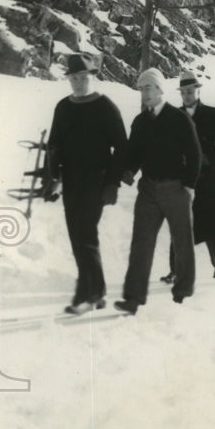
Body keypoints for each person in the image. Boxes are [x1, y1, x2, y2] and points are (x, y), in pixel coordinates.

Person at [46, 53, 128, 315]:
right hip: (71, 181)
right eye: (74, 78)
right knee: (77, 235)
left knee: (86, 235)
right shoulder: (63, 107)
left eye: (83, 77)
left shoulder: (105, 106)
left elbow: (122, 148)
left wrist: (112, 183)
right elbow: (54, 146)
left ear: (92, 77)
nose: (79, 83)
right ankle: (95, 290)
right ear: (68, 79)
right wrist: (53, 178)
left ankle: (89, 293)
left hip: (97, 180)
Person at [115, 68, 201, 315]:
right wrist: (128, 171)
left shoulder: (179, 119)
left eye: (149, 88)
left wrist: (188, 186)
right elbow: (134, 154)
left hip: (176, 189)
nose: (145, 93)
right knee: (141, 243)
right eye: (141, 89)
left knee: (182, 242)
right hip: (149, 191)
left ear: (160, 90)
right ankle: (133, 298)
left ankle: (183, 290)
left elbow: (194, 154)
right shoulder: (140, 122)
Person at [160, 72, 215, 284]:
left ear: (198, 91)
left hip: (209, 176)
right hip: (184, 177)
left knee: (213, 221)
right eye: (184, 92)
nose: (187, 95)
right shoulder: (173, 117)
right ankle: (176, 270)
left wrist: (212, 159)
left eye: (191, 91)